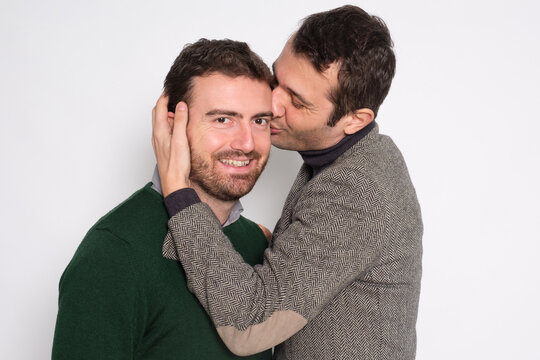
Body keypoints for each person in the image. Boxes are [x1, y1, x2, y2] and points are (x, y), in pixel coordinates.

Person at [154, 5, 423, 360]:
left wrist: (179, 192)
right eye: (278, 80)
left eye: (296, 100)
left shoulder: (357, 189)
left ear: (354, 120)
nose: (273, 103)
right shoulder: (347, 159)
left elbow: (248, 327)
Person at [52, 39, 274, 360]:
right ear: (172, 125)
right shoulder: (114, 253)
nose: (246, 142)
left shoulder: (258, 242)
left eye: (259, 121)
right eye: (223, 119)